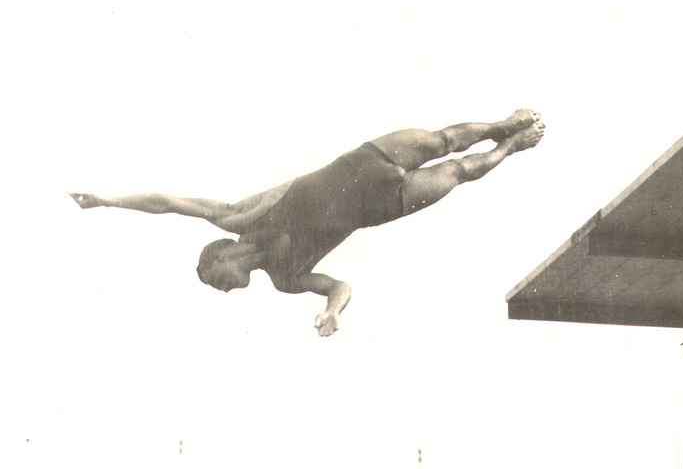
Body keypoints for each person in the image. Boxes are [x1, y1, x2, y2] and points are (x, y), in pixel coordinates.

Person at [70, 111, 545, 337]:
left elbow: (167, 203)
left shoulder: (235, 215)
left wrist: (107, 201)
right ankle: (511, 147)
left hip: (361, 164)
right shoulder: (286, 278)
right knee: (460, 172)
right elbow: (339, 286)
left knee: (443, 140)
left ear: (220, 254)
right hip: (380, 206)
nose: (223, 290)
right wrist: (334, 312)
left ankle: (498, 127)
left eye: (215, 280)